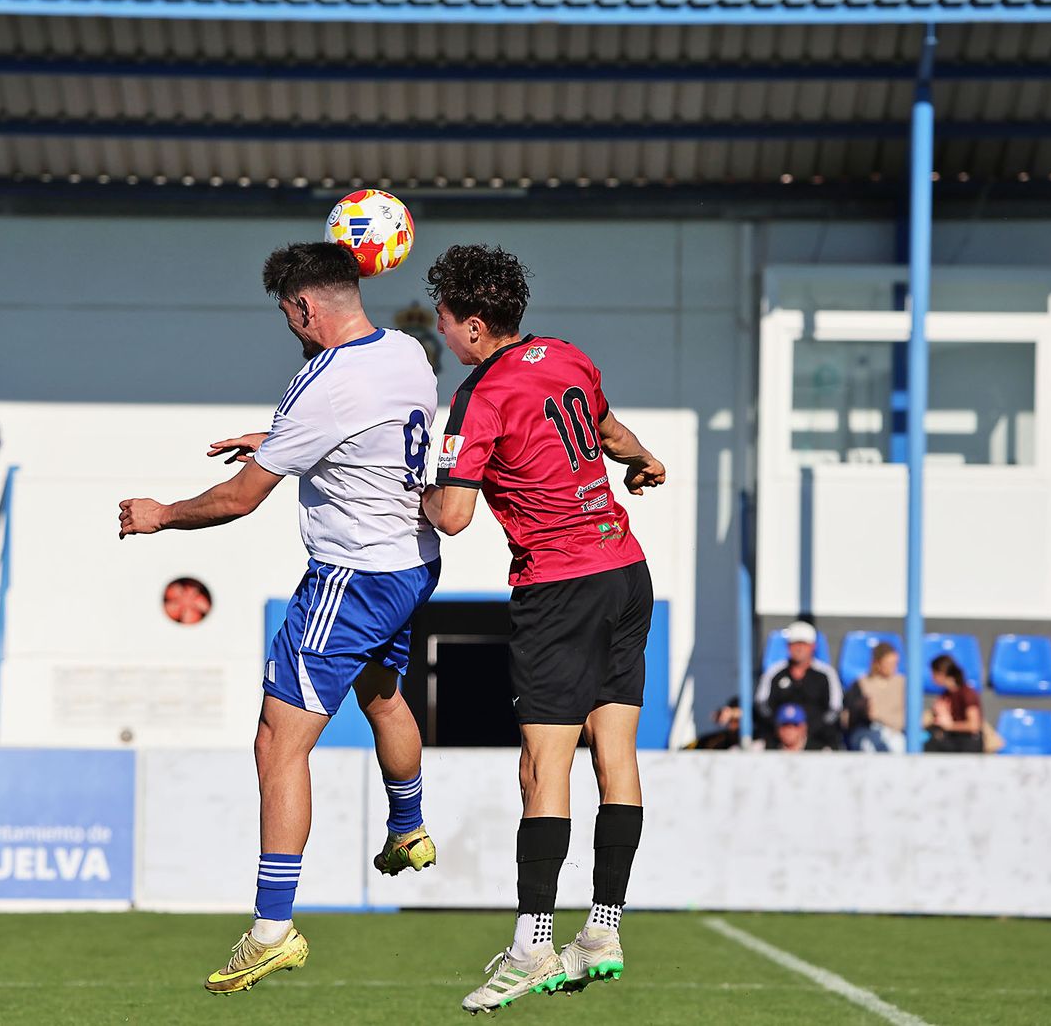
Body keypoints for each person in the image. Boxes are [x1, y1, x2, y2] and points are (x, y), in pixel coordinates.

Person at [118, 242, 442, 995]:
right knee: (382, 694)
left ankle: (271, 929)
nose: (290, 329)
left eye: (288, 315)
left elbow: (239, 499)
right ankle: (408, 825)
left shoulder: (319, 384)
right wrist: (275, 441)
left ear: (304, 306)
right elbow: (371, 437)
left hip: (349, 576)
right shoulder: (408, 353)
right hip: (411, 564)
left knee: (277, 741)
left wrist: (160, 514)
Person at [418, 244, 665, 1012]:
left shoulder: (476, 397)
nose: (442, 332)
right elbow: (611, 430)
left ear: (476, 324)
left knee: (541, 767)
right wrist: (648, 460)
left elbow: (453, 516)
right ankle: (603, 927)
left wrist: (410, 486)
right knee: (615, 753)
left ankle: (531, 944)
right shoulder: (569, 357)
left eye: (447, 321)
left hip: (558, 588)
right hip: (625, 570)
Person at [754, 621, 843, 750]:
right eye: (795, 644)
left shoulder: (826, 674)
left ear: (813, 646)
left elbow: (835, 708)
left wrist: (806, 730)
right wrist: (783, 729)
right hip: (777, 738)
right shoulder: (774, 672)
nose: (799, 648)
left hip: (817, 739)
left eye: (804, 644)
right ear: (788, 646)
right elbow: (762, 705)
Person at [843, 641, 906, 753]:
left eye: (895, 663)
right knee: (869, 744)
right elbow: (847, 718)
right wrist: (861, 711)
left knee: (898, 745)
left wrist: (879, 715)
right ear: (877, 663)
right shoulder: (861, 683)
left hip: (896, 733)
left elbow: (905, 718)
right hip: (867, 731)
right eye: (889, 664)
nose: (893, 668)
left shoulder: (902, 683)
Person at [925, 655, 983, 752]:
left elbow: (974, 725)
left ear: (941, 673)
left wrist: (950, 725)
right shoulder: (945, 695)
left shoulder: (967, 693)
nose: (931, 677)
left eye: (933, 673)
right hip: (953, 739)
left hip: (968, 743)